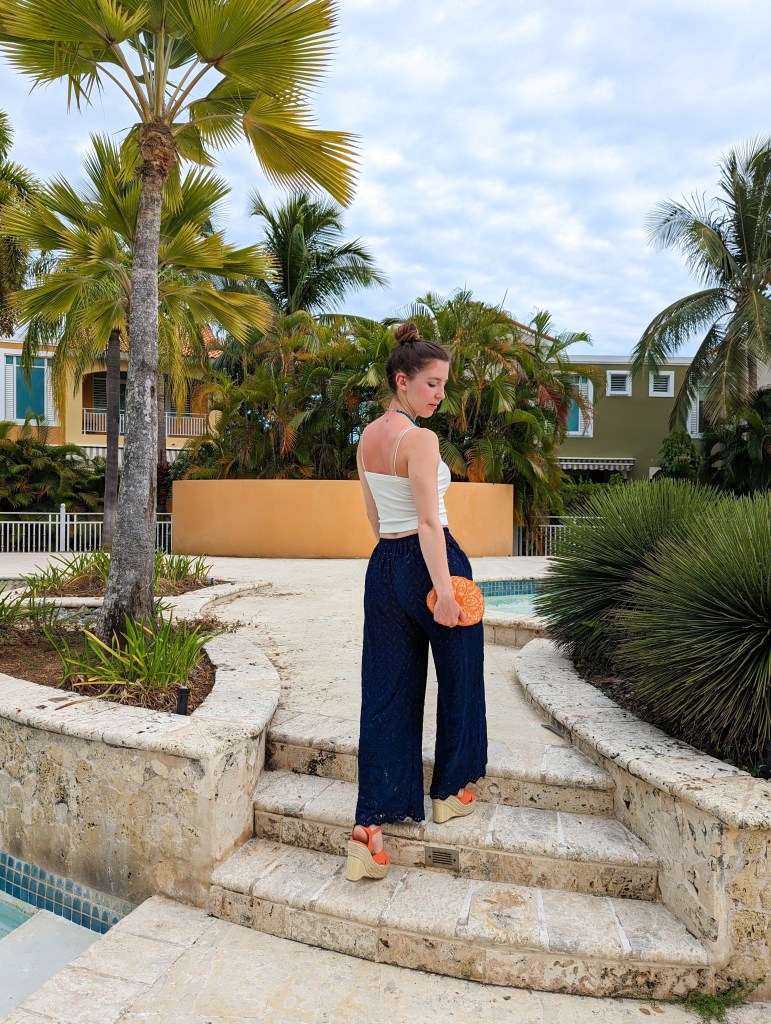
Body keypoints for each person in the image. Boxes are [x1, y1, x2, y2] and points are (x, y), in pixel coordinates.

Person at [346, 321, 488, 882]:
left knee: (385, 692)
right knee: (460, 675)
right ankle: (450, 791)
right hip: (434, 564)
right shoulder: (421, 440)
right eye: (432, 383)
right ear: (402, 382)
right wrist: (446, 590)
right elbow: (430, 522)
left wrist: (397, 562)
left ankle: (369, 831)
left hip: (383, 566)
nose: (440, 394)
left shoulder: (367, 438)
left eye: (444, 384)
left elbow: (376, 519)